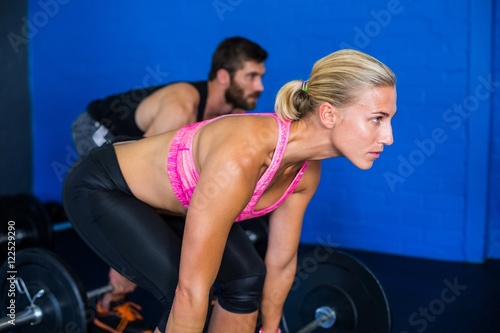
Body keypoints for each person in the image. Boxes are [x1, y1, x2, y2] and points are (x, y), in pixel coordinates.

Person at [62, 48, 397, 333]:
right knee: (182, 290)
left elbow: (281, 263)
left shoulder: (306, 171)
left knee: (247, 279)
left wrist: (270, 329)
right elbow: (190, 290)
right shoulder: (244, 155)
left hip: (174, 202)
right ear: (328, 114)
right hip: (105, 187)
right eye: (377, 119)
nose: (388, 137)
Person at [70, 36, 268, 333]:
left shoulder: (233, 116)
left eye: (261, 77)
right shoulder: (181, 105)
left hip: (140, 151)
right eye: (252, 76)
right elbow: (141, 183)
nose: (260, 86)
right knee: (134, 223)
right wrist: (121, 259)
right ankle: (108, 305)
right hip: (100, 133)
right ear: (224, 76)